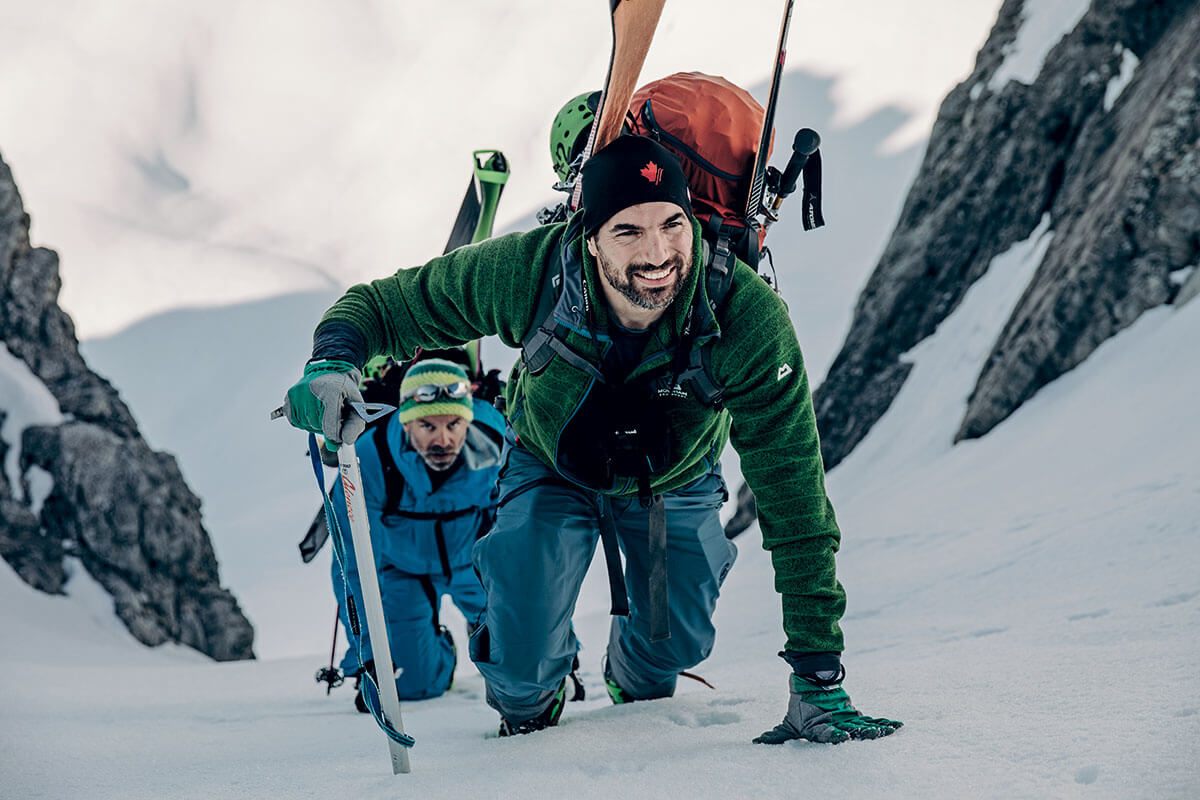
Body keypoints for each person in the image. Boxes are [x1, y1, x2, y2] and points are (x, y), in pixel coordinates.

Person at [283, 134, 901, 742]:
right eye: (627, 231)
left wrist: (818, 676)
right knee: (518, 676)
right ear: (589, 235)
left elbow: (795, 497)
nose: (658, 253)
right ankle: (538, 692)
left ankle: (632, 680)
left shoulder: (746, 318)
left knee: (672, 649)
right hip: (551, 466)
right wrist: (333, 360)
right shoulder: (532, 272)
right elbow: (386, 306)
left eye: (672, 224)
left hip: (673, 478)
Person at [325, 357, 503, 706]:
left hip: (476, 565)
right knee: (405, 685)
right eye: (427, 426)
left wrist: (553, 648)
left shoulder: (497, 446)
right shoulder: (368, 459)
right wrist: (369, 654)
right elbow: (353, 566)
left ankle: (486, 632)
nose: (443, 439)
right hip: (401, 570)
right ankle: (439, 650)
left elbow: (527, 548)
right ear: (406, 423)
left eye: (454, 424)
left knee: (524, 666)